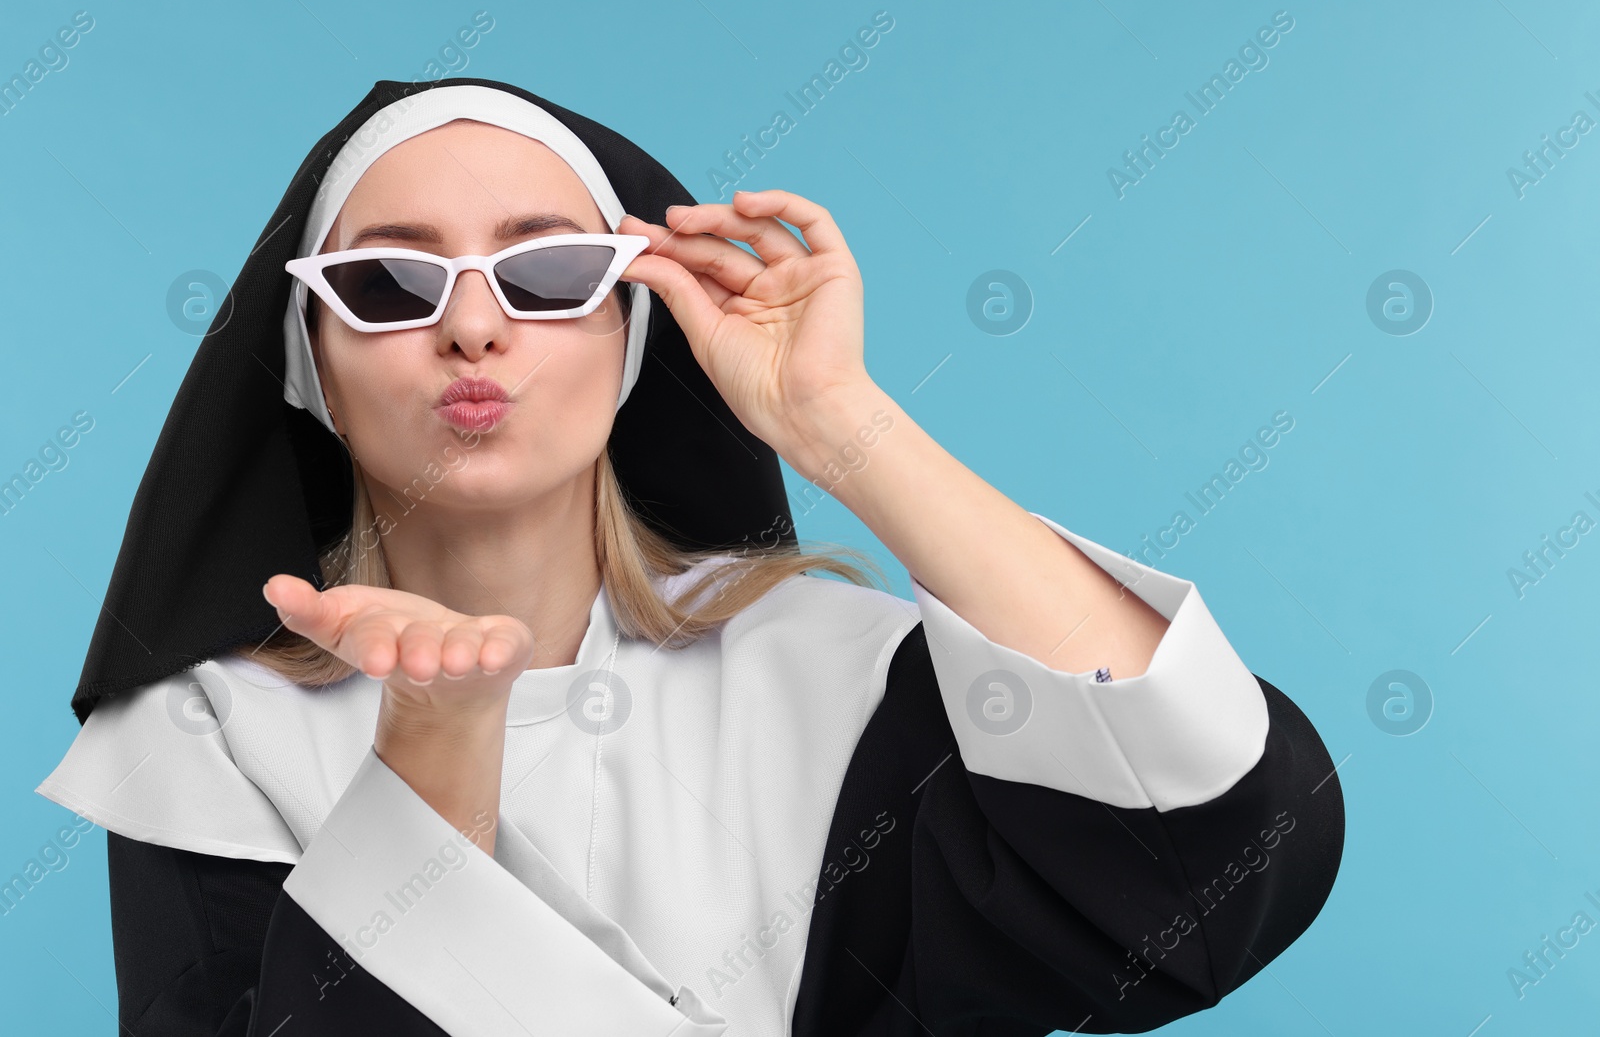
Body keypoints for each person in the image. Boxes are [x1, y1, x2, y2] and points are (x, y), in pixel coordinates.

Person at [35, 77, 1344, 1036]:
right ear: (310, 362)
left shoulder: (825, 679)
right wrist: (432, 756)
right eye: (387, 286)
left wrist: (845, 429)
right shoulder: (214, 738)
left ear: (632, 333)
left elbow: (1199, 883)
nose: (473, 329)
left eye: (547, 273)